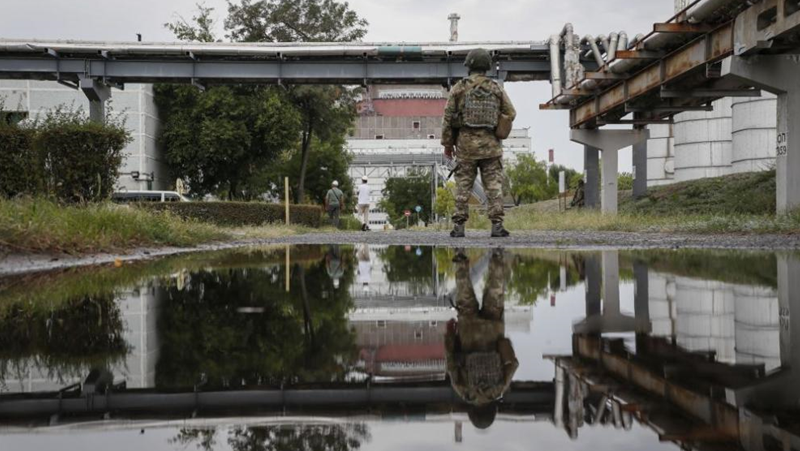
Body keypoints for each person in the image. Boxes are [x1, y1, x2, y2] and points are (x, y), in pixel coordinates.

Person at [442, 48, 517, 238]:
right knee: (493, 186)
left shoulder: (459, 88)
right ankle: (497, 226)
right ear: (487, 67)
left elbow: (448, 117)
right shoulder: (496, 88)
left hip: (466, 147)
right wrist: (498, 127)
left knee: (463, 187)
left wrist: (448, 144)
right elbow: (511, 113)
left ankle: (459, 227)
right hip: (491, 147)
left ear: (469, 66)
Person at [445, 248, 518, 430]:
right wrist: (450, 336)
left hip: (493, 330)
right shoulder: (464, 392)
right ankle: (461, 256)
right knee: (465, 294)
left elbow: (513, 364)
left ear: (492, 410)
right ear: (472, 412)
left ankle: (497, 255)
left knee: (495, 291)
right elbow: (451, 362)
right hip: (468, 331)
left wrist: (502, 343)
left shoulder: (498, 389)